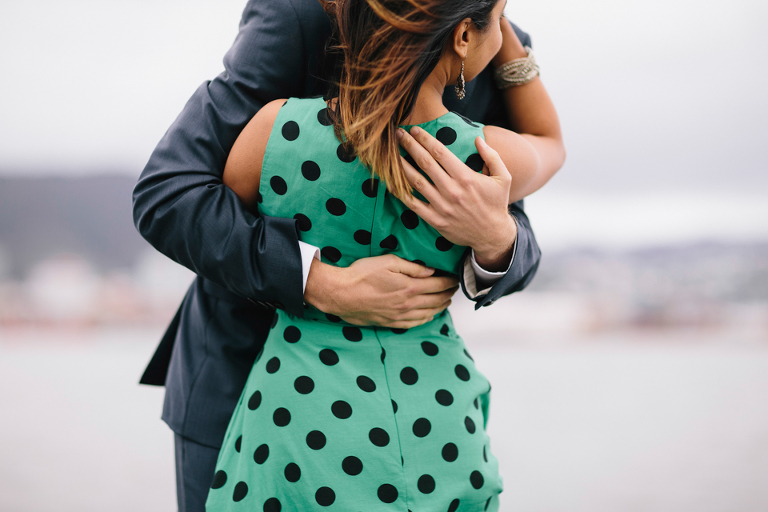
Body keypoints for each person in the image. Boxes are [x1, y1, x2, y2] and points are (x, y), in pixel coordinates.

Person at [132, 0, 551, 510]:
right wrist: (318, 282)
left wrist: (494, 239)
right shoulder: (294, 14)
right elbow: (169, 194)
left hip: (420, 417)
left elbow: (513, 223)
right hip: (240, 370)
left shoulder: (489, 29)